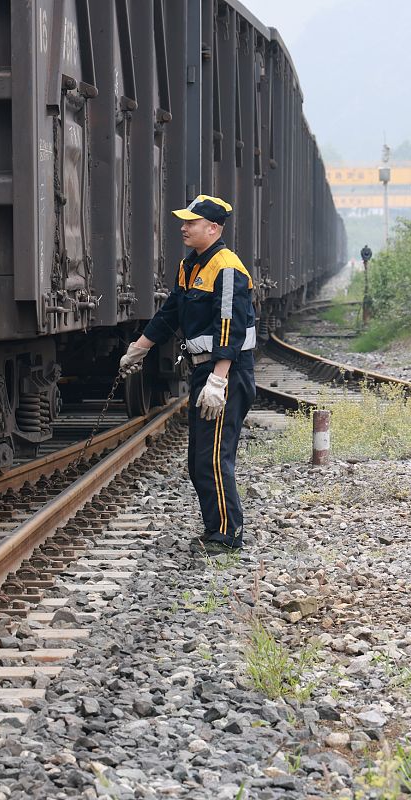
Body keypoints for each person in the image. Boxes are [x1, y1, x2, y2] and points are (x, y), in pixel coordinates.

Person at [119, 195, 256, 554]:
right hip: (203, 371)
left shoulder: (227, 268)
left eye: (191, 223)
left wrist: (219, 380)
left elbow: (229, 326)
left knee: (213, 458)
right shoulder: (190, 265)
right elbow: (170, 313)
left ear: (212, 228)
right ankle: (215, 529)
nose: (183, 227)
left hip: (227, 373)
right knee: (199, 460)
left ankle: (227, 536)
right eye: (184, 221)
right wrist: (140, 347)